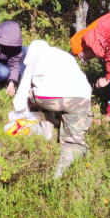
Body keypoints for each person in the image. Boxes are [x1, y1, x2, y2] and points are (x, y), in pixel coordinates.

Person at [13, 40, 93, 178]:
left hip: (49, 99)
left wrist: (23, 114)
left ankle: (46, 130)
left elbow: (19, 100)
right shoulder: (64, 56)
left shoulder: (34, 60)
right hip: (79, 97)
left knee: (33, 93)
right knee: (74, 140)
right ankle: (64, 163)